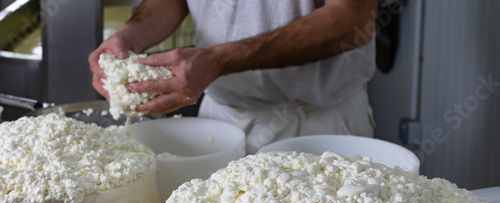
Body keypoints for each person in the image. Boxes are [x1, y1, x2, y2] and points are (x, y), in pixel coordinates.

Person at [89, 0, 378, 154]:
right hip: (219, 119)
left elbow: (353, 19)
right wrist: (130, 35)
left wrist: (219, 60)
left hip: (317, 124)